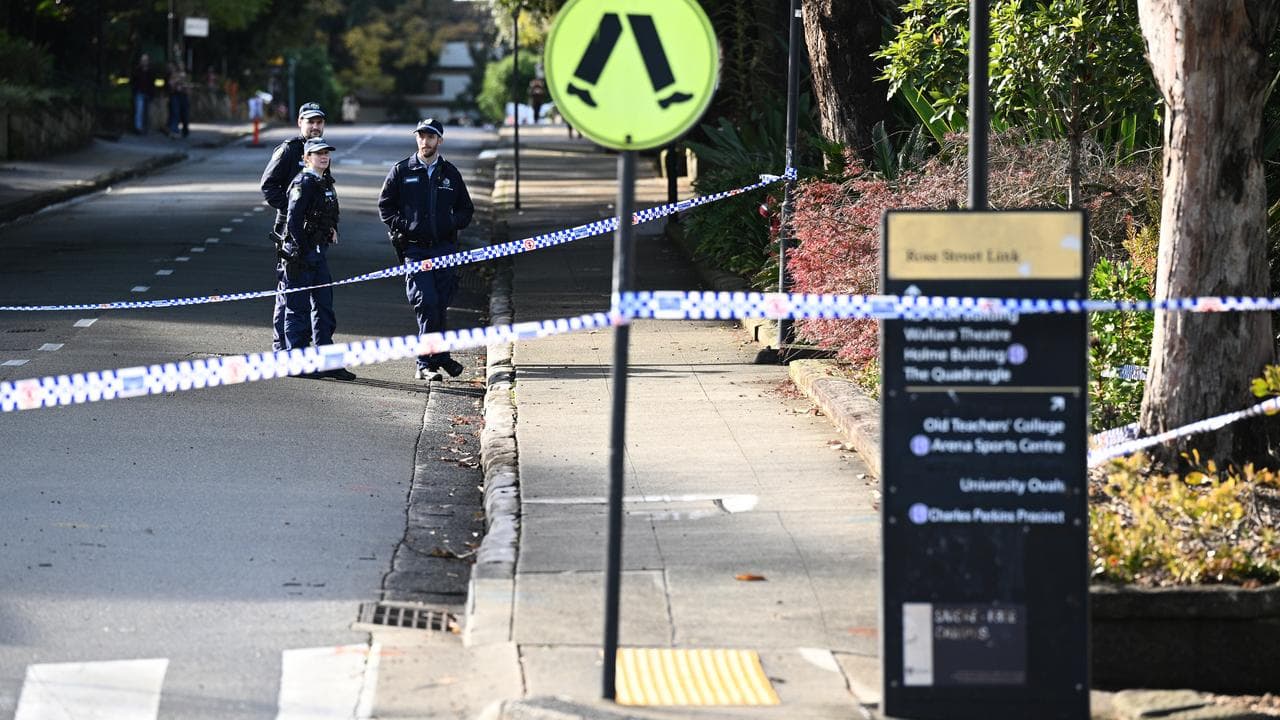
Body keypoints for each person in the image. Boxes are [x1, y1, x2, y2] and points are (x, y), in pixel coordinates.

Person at [378, 118, 474, 381]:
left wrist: (450, 223)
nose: (425, 141)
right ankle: (424, 362)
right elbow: (385, 206)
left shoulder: (450, 173)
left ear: (439, 141)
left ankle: (439, 356)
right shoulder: (402, 171)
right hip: (415, 250)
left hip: (444, 248)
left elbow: (466, 209)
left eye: (430, 137)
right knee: (426, 301)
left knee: (441, 303)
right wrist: (405, 226)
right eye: (421, 136)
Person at [280, 137, 356, 381]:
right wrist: (302, 251)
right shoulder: (303, 182)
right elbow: (293, 221)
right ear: (307, 157)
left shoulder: (325, 182)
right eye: (317, 153)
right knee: (297, 310)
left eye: (326, 153)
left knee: (324, 309)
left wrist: (332, 229)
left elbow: (329, 212)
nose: (323, 156)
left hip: (319, 253)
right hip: (300, 255)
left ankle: (327, 362)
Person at [260, 101, 327, 351]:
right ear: (300, 123)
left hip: (315, 233)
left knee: (302, 291)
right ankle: (282, 347)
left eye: (319, 122)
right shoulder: (289, 150)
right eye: (311, 122)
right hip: (289, 230)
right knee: (288, 289)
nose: (315, 127)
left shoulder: (322, 151)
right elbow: (268, 186)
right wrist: (291, 211)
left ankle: (291, 348)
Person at [130, 53, 156, 134]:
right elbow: (133, 81)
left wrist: (152, 93)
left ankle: (145, 127)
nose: (144, 61)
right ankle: (138, 128)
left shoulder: (151, 71)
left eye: (145, 60)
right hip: (139, 92)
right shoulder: (137, 70)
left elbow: (153, 83)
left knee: (146, 111)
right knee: (139, 110)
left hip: (148, 92)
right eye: (143, 60)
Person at [166, 60, 190, 138]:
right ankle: (174, 130)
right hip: (175, 95)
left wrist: (185, 87)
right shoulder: (174, 75)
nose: (181, 67)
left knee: (184, 114)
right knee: (175, 112)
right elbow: (171, 84)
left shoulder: (185, 75)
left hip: (184, 95)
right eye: (179, 65)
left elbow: (188, 86)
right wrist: (178, 80)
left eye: (182, 65)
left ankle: (185, 129)